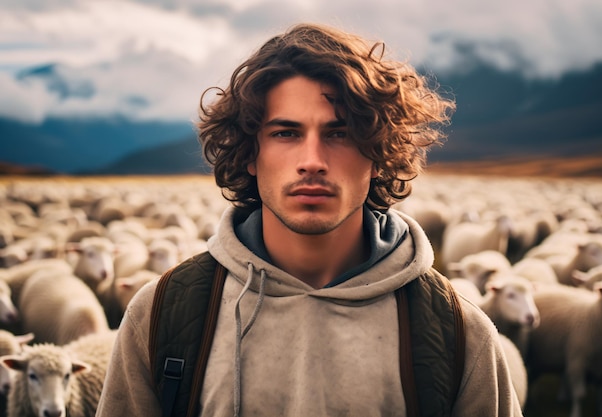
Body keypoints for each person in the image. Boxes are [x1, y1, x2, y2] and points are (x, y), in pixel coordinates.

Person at [96, 23, 523, 416]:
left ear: (378, 155)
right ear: (249, 154)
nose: (312, 161)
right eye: (286, 133)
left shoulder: (457, 333)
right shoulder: (163, 315)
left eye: (339, 134)